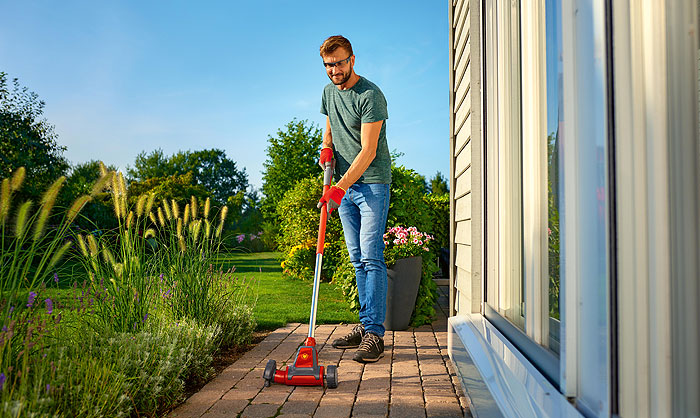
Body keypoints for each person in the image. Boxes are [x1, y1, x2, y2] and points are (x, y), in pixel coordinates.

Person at [316, 35, 392, 363]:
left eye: (339, 62)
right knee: (358, 259)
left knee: (372, 258)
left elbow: (369, 150)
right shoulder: (328, 92)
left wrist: (339, 186)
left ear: (352, 60)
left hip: (371, 184)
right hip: (345, 188)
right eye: (328, 65)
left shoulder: (370, 95)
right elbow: (330, 124)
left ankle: (375, 335)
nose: (334, 70)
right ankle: (364, 326)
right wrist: (327, 146)